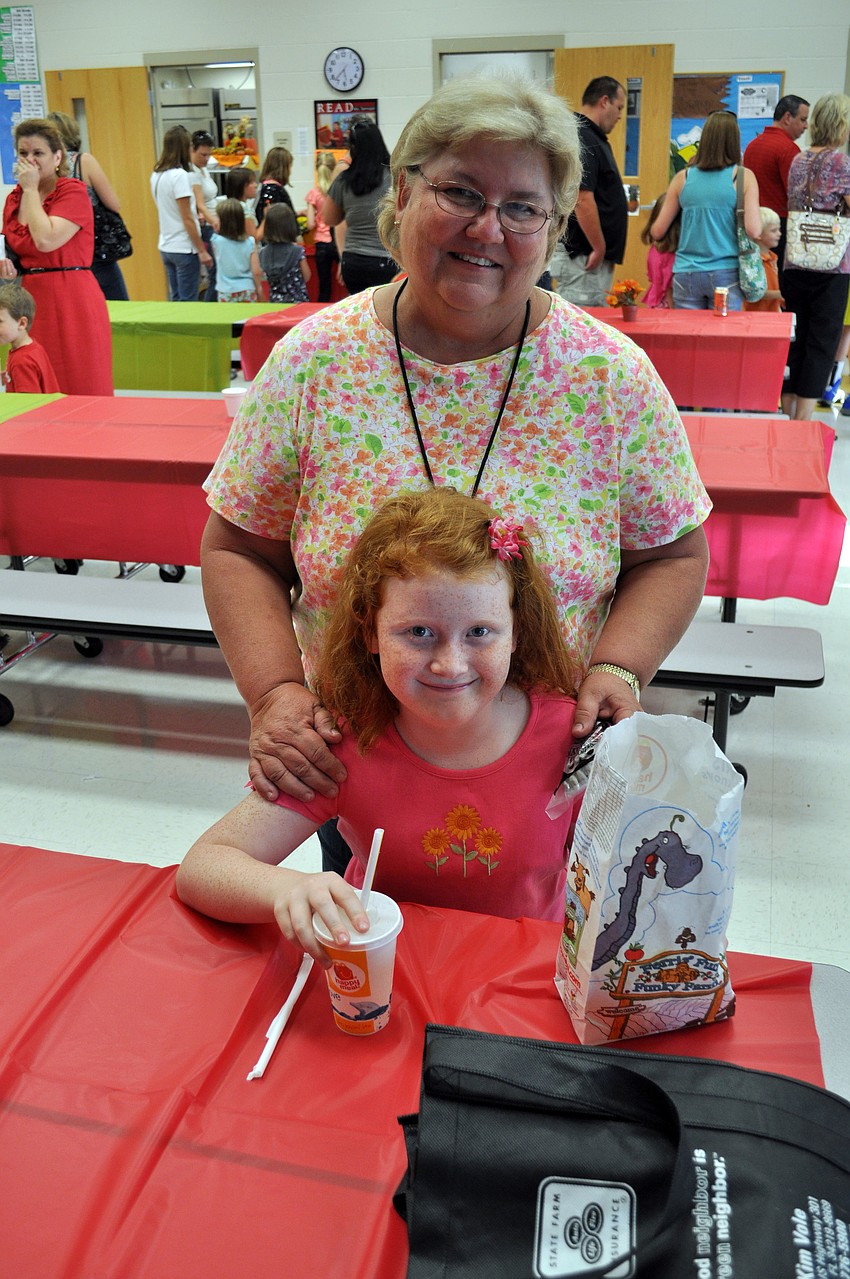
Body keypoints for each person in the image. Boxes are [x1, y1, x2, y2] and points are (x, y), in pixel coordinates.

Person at [200, 74, 711, 880]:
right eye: (461, 191)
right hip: (355, 770)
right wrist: (273, 694)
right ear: (402, 193)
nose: (488, 228)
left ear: (551, 228)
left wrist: (619, 665)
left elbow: (673, 556)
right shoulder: (313, 362)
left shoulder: (610, 377)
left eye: (523, 207)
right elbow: (237, 549)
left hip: (550, 789)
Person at [178, 487, 582, 956]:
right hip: (387, 983)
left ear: (515, 633)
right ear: (370, 631)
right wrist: (284, 889)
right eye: (418, 633)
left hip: (523, 988)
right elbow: (204, 866)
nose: (450, 664)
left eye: (479, 632)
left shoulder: (573, 741)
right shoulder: (343, 744)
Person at [0, 117, 113, 394]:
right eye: (24, 154)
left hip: (72, 295)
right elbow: (17, 249)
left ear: (57, 156)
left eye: (38, 153)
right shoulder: (14, 199)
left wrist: (30, 190)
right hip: (31, 298)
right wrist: (7, 265)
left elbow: (46, 239)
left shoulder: (72, 191)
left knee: (81, 378)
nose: (30, 160)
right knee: (34, 377)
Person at [781, 93, 850, 422]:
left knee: (798, 337)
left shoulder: (799, 159)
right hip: (832, 264)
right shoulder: (842, 163)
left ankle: (788, 411)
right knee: (822, 341)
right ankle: (802, 422)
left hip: (796, 258)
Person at [650, 110, 761, 310]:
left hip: (686, 273)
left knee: (689, 337)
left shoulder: (683, 178)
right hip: (726, 273)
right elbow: (754, 230)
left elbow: (657, 231)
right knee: (722, 338)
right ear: (735, 140)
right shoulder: (743, 177)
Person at [549, 77, 628, 307]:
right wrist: (598, 246)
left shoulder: (593, 137)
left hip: (590, 256)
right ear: (604, 101)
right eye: (619, 107)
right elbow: (582, 198)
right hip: (585, 255)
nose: (620, 115)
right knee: (582, 326)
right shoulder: (582, 136)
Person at [46, 109, 130, 302]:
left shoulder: (44, 168)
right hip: (93, 249)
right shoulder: (82, 162)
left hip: (60, 254)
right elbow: (114, 204)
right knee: (118, 306)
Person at [322, 120, 397, 293]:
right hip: (386, 260)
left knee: (359, 314)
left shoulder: (344, 180)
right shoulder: (395, 176)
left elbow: (329, 218)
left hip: (353, 262)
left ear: (353, 148)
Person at [743, 94, 810, 285]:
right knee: (779, 282)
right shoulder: (789, 150)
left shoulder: (752, 146)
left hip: (753, 224)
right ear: (787, 117)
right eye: (803, 120)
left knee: (757, 280)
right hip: (778, 228)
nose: (806, 126)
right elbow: (797, 196)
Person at [150, 125, 211, 301]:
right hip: (184, 247)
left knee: (176, 300)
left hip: (166, 245)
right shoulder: (180, 176)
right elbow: (187, 218)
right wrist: (202, 250)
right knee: (188, 301)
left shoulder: (156, 174)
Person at [0, 281, 60, 392]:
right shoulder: (33, 348)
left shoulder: (21, 362)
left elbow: (28, 402)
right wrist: (10, 375)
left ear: (22, 323)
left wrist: (18, 371)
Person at [211, 199, 262, 302]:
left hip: (225, 290)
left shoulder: (216, 241)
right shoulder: (250, 242)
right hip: (247, 288)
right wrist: (259, 289)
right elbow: (256, 271)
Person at [190, 130, 220, 302]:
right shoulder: (191, 173)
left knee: (217, 272)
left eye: (209, 155)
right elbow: (200, 204)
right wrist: (215, 223)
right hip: (207, 227)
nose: (206, 159)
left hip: (212, 221)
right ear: (191, 150)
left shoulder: (203, 170)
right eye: (203, 155)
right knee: (215, 272)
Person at [305, 151, 339, 302]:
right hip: (338, 242)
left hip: (321, 244)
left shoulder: (313, 193)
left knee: (324, 287)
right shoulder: (339, 191)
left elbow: (310, 223)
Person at [258, 204, 310, 302]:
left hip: (275, 301)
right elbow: (306, 276)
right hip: (298, 301)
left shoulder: (263, 253)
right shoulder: (297, 251)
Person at [640, 193, 679, 308]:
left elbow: (652, 276)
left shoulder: (655, 249)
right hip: (667, 305)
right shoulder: (672, 255)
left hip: (654, 301)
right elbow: (669, 288)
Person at [743, 207, 783, 313]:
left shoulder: (773, 258)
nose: (779, 234)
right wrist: (781, 294)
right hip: (754, 315)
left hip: (772, 312)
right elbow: (755, 292)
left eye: (779, 229)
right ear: (758, 234)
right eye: (773, 231)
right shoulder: (752, 261)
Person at [253, 147, 295, 237]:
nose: (290, 172)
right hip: (277, 241)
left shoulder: (267, 187)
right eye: (290, 166)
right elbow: (271, 216)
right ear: (283, 168)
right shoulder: (273, 190)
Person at [220, 167, 258, 238]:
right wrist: (266, 218)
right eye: (252, 182)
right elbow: (254, 237)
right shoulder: (244, 210)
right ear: (242, 186)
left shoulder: (228, 206)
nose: (256, 185)